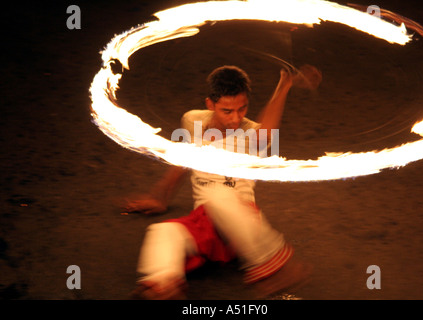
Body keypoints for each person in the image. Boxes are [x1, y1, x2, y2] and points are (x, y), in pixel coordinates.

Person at [125, 64, 322, 299]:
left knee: (219, 197)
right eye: (227, 111)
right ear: (210, 104)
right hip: (205, 223)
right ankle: (163, 286)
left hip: (241, 221)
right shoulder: (192, 120)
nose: (236, 118)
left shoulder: (251, 134)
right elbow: (184, 159)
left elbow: (267, 133)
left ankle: (276, 263)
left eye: (242, 108)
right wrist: (160, 197)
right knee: (162, 231)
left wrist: (285, 85)